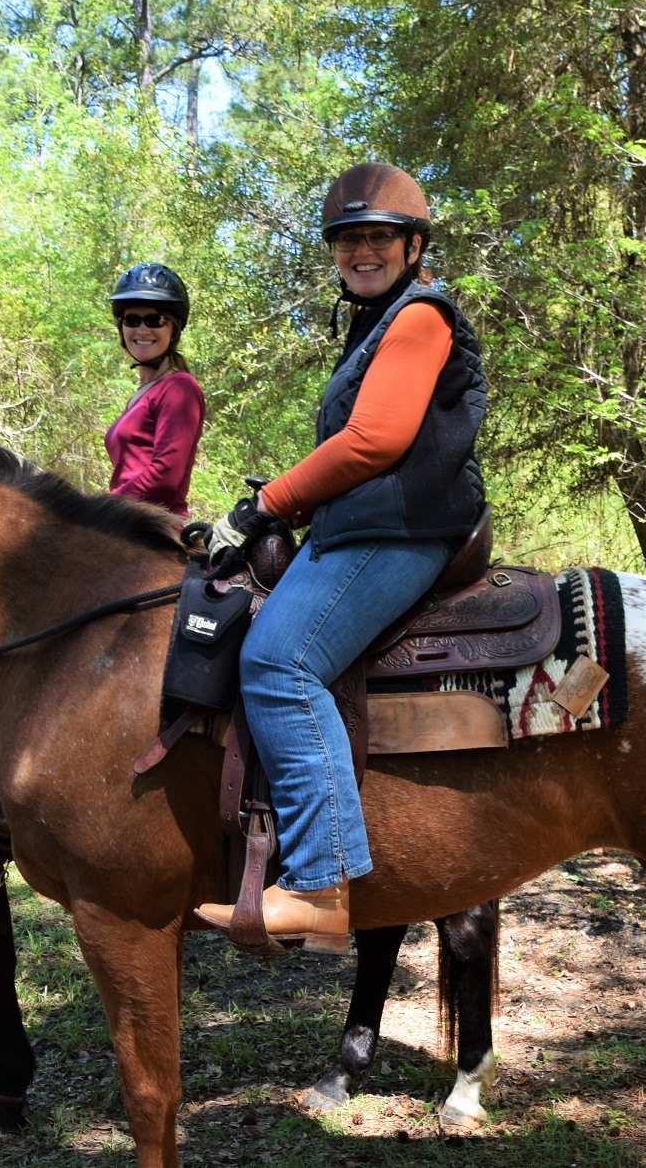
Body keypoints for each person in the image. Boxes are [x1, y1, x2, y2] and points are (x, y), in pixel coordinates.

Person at [196, 164, 486, 950]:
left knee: (277, 662)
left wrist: (268, 502)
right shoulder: (375, 323)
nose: (362, 251)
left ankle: (320, 887)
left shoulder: (420, 316)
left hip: (400, 533)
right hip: (365, 527)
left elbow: (375, 441)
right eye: (348, 240)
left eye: (379, 238)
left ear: (413, 245)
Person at [104, 263, 205, 516]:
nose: (142, 330)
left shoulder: (179, 388)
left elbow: (166, 475)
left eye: (154, 320)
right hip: (126, 522)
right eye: (132, 320)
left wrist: (103, 506)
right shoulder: (142, 393)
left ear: (174, 329)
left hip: (153, 529)